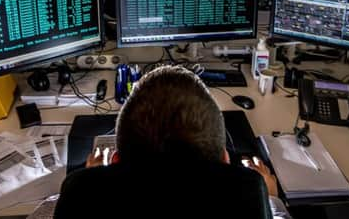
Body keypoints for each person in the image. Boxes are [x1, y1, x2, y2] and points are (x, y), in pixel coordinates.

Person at [51, 65, 292, 219]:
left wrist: (93, 183)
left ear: (116, 160)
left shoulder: (78, 194)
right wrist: (271, 199)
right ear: (225, 159)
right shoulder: (251, 192)